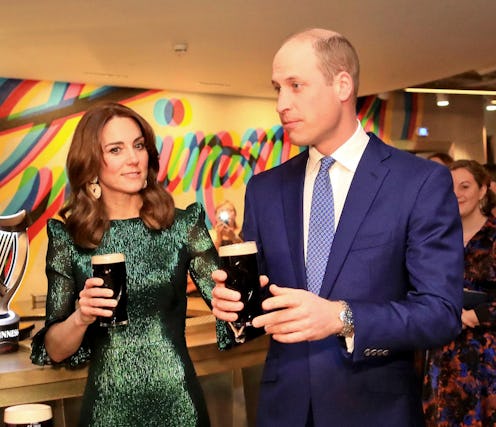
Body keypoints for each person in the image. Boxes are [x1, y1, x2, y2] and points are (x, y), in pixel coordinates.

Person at [211, 28, 464, 427]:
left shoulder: (417, 182)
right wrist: (232, 309)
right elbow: (260, 307)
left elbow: (441, 313)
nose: (281, 103)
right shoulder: (264, 189)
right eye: (277, 88)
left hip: (375, 411)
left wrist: (342, 318)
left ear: (342, 84)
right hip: (284, 410)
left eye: (296, 85)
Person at [30, 102, 232, 427]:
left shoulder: (183, 227)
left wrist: (241, 298)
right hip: (107, 412)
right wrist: (81, 317)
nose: (134, 158)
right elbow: (55, 349)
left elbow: (230, 308)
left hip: (178, 406)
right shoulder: (69, 239)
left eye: (138, 145)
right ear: (92, 163)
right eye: (116, 149)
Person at [423, 159, 496, 426]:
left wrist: (475, 315)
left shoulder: (494, 236)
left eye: (465, 186)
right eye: (450, 187)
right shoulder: (435, 238)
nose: (457, 194)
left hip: (486, 351)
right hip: (443, 348)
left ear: (483, 190)